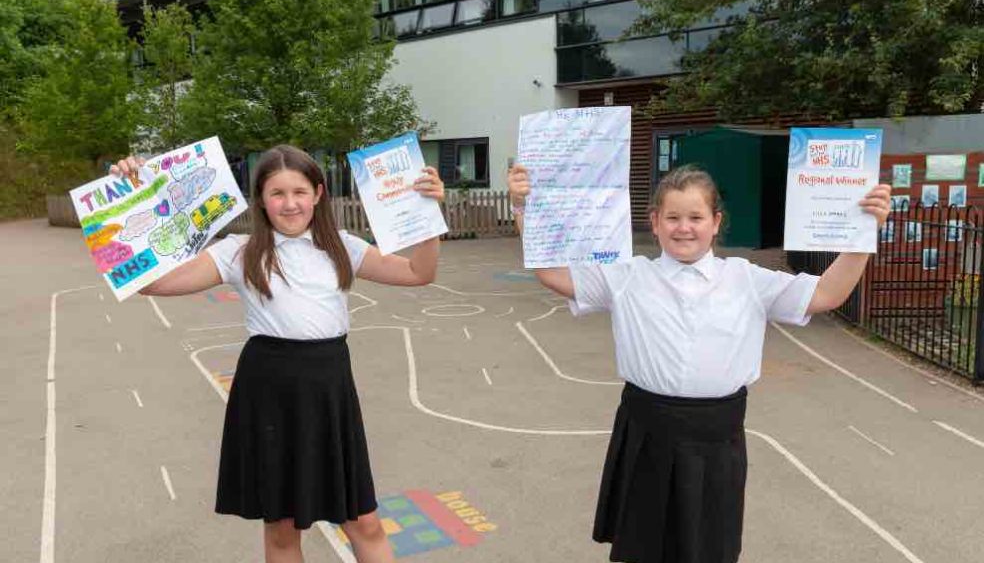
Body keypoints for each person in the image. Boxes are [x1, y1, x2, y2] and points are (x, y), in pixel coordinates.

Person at [507, 164, 891, 563]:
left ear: (715, 222)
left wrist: (863, 235)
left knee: (709, 551)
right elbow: (550, 272)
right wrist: (523, 209)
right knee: (644, 550)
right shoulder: (628, 276)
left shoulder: (746, 279)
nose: (683, 228)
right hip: (646, 432)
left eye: (695, 217)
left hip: (717, 440)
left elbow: (826, 293)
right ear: (654, 222)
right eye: (672, 217)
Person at [115, 145, 444, 563]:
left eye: (300, 192)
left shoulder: (343, 246)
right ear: (261, 200)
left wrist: (429, 219)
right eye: (277, 194)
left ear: (319, 194)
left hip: (330, 389)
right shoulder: (238, 250)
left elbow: (420, 273)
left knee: (364, 522)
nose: (290, 204)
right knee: (283, 530)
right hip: (269, 390)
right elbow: (153, 283)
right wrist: (134, 199)